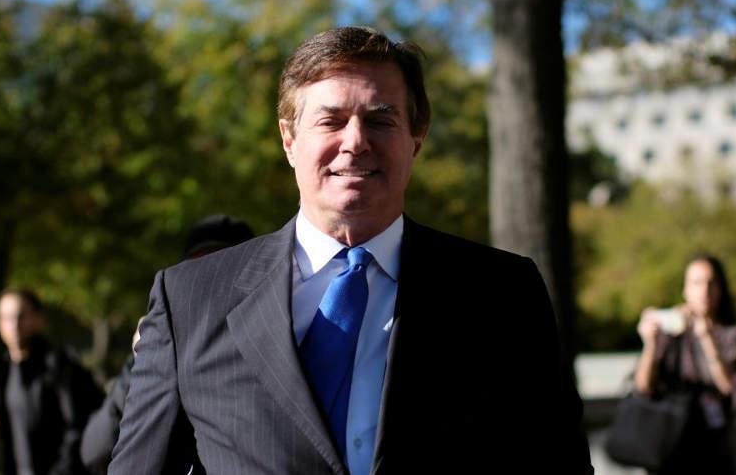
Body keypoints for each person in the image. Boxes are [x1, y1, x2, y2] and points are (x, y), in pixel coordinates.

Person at [109, 26, 592, 474]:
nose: (356, 142)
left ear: (416, 140)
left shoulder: (502, 293)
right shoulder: (190, 299)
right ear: (289, 140)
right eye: (331, 121)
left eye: (381, 120)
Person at [79, 215, 255, 474]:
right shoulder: (168, 335)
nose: (209, 277)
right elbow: (96, 451)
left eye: (223, 264)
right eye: (199, 266)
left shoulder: (266, 347)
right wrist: (140, 363)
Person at [633, 254, 736, 474]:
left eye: (711, 283)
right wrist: (650, 344)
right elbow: (643, 386)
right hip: (669, 442)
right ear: (685, 289)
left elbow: (728, 386)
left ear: (721, 288)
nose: (704, 291)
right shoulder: (671, 328)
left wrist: (706, 337)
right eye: (696, 283)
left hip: (713, 446)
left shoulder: (732, 333)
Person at [0, 289, 104, 475]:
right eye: (5, 318)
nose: (13, 325)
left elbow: (77, 427)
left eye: (20, 317)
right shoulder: (1, 368)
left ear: (39, 320)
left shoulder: (60, 365)